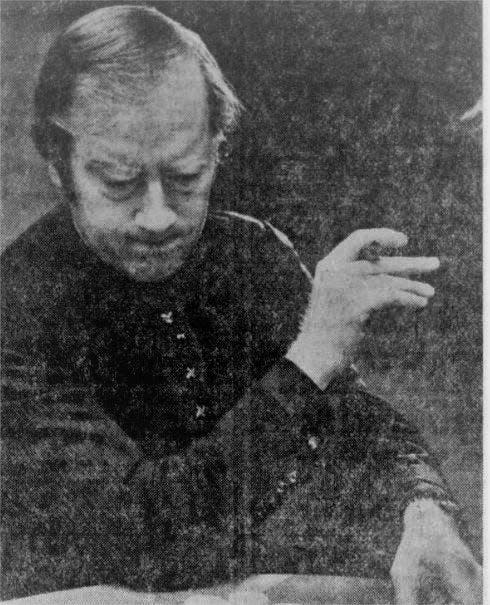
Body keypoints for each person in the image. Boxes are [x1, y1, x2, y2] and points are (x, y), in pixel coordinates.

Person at [1, 5, 481, 603]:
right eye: (119, 183)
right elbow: (144, 541)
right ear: (57, 164)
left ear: (217, 148)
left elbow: (356, 420)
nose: (159, 216)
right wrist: (311, 354)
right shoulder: (15, 305)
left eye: (186, 175)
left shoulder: (248, 253)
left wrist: (424, 510)